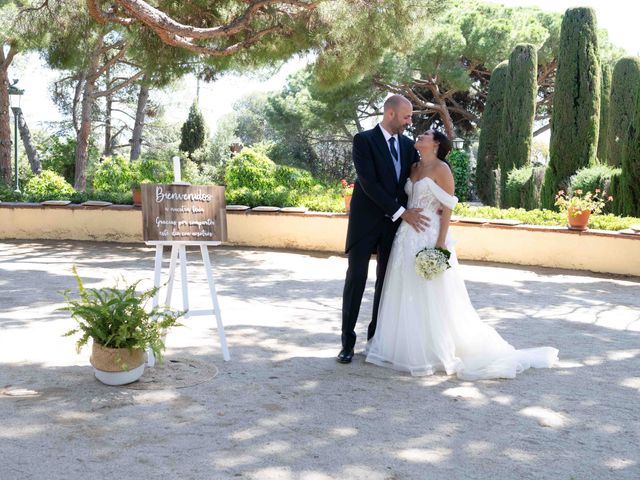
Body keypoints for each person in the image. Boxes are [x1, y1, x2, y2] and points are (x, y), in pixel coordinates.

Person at [365, 130, 558, 380]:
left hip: (430, 235)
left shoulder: (442, 169)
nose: (419, 136)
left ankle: (435, 349)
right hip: (405, 236)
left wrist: (441, 243)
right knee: (404, 289)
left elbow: (448, 207)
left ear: (436, 144)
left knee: (433, 293)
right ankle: (403, 347)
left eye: (425, 135)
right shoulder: (412, 167)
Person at [338, 95, 429, 364]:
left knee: (386, 284)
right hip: (365, 224)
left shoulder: (408, 145)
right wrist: (402, 212)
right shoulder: (363, 141)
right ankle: (347, 343)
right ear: (390, 114)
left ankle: (375, 340)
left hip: (394, 229)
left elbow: (415, 182)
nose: (409, 121)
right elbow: (368, 183)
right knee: (356, 279)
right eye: (406, 116)